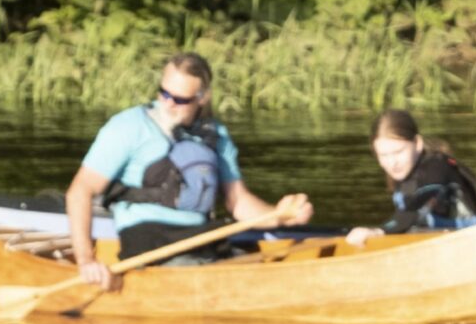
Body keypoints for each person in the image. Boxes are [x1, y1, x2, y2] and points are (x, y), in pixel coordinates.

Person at [64, 52, 312, 290]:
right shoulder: (128, 127)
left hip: (201, 239)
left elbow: (239, 202)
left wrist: (280, 215)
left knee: (250, 263)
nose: (168, 104)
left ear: (202, 98)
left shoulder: (216, 135)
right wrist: (86, 261)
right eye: (164, 93)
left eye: (180, 100)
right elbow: (80, 192)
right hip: (150, 242)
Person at [344, 110, 476, 247]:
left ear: (417, 144)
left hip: (473, 241)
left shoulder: (437, 167)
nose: (392, 163)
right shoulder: (405, 174)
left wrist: (379, 231)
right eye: (383, 155)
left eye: (398, 152)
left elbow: (416, 204)